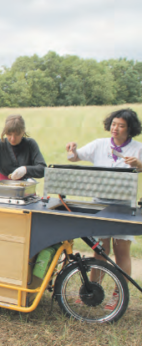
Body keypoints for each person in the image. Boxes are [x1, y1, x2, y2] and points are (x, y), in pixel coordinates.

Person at [65, 108, 142, 310]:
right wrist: (72, 149)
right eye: (114, 124)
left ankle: (119, 295)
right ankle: (92, 291)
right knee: (100, 250)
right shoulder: (100, 145)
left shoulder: (137, 148)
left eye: (121, 125)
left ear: (130, 129)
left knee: (121, 251)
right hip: (99, 204)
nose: (115, 128)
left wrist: (140, 165)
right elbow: (74, 157)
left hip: (123, 205)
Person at [0, 114, 46, 180]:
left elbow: (43, 169)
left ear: (23, 132)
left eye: (17, 134)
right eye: (9, 134)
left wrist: (25, 170)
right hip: (3, 186)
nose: (12, 138)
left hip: (26, 187)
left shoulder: (30, 144)